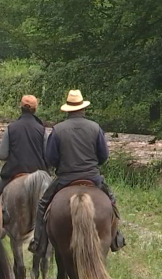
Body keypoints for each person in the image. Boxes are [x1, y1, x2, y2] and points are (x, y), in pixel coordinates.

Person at [28, 89, 125, 257]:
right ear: (83, 108)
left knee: (43, 205)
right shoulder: (95, 128)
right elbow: (104, 156)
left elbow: (50, 158)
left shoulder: (58, 130)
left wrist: (62, 165)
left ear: (68, 109)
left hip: (65, 179)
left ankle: (39, 243)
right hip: (92, 177)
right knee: (111, 202)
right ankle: (116, 238)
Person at [0, 95, 49, 196]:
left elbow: (2, 155)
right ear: (35, 109)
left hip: (13, 173)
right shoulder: (42, 130)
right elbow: (47, 157)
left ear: (21, 107)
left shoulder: (10, 128)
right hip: (38, 176)